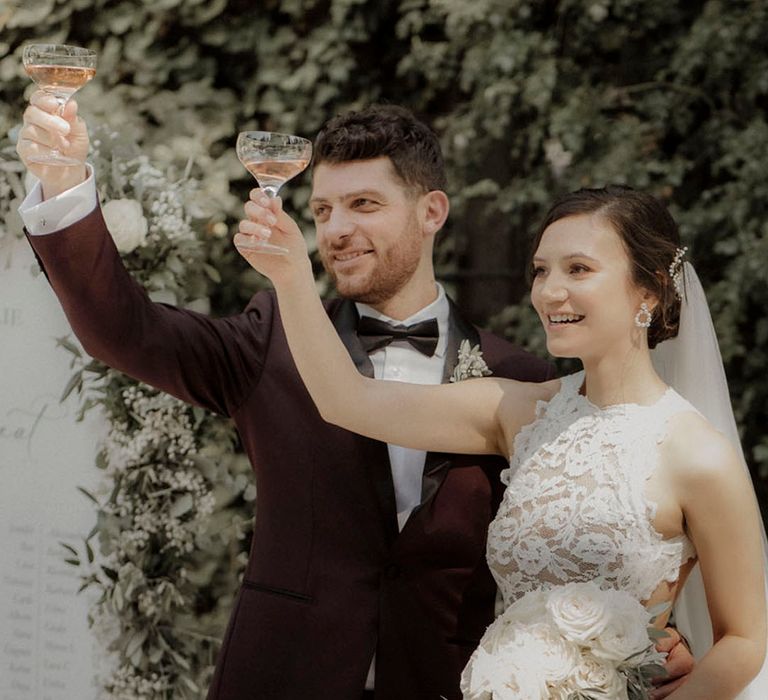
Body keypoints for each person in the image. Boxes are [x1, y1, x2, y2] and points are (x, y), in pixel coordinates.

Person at [17, 96, 693, 699]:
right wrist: (63, 185)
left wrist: (633, 635)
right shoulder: (268, 342)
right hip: (285, 678)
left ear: (431, 212)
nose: (335, 228)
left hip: (450, 683)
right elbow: (122, 330)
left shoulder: (514, 375)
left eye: (363, 204)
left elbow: (570, 538)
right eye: (322, 210)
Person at [233, 180, 768, 699]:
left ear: (647, 290)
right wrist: (292, 276)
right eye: (540, 271)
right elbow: (346, 401)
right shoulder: (518, 411)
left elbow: (745, 640)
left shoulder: (699, 455)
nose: (549, 291)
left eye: (578, 268)